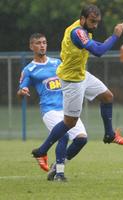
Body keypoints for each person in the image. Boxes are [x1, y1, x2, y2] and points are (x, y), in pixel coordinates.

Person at [31, 4, 123, 170]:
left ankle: (109, 134)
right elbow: (98, 52)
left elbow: (95, 45)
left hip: (81, 74)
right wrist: (115, 36)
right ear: (82, 18)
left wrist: (104, 42)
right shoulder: (77, 32)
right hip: (72, 80)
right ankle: (42, 150)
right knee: (70, 123)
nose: (95, 25)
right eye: (92, 21)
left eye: (97, 22)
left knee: (107, 97)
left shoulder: (83, 29)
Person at [18, 33, 88, 181]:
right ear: (31, 46)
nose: (42, 45)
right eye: (38, 43)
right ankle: (60, 174)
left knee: (81, 139)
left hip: (67, 108)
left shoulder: (57, 63)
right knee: (64, 135)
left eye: (44, 42)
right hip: (49, 110)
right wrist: (22, 91)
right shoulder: (29, 70)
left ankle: (55, 167)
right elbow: (21, 89)